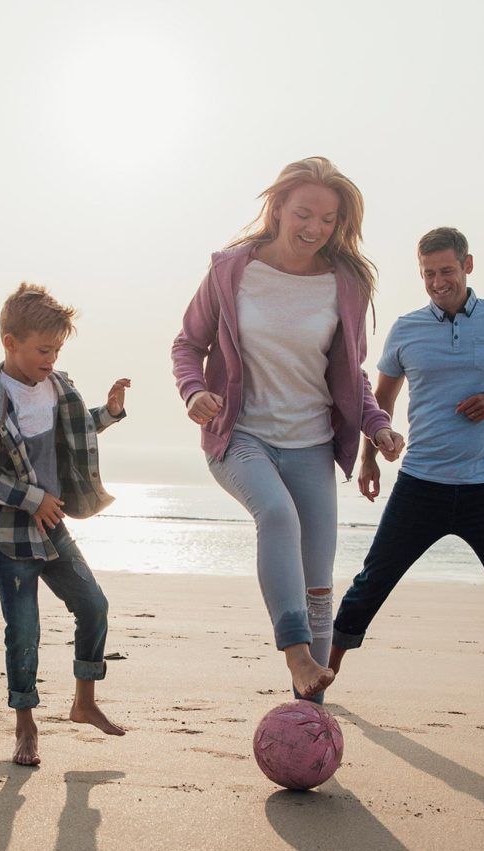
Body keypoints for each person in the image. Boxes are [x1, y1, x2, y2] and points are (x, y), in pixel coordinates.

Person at [171, 156, 403, 702]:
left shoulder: (345, 284)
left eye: (329, 220)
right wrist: (194, 391)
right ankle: (297, 655)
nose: (315, 228)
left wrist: (378, 426)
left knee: (319, 587)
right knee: (275, 514)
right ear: (276, 209)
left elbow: (352, 375)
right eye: (304, 213)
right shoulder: (231, 271)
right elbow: (187, 344)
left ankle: (311, 710)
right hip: (239, 435)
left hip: (312, 445)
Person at [329, 226, 484, 722]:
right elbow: (380, 402)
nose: (437, 282)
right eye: (427, 274)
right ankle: (323, 676)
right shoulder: (406, 329)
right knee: (373, 581)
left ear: (467, 265)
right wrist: (370, 456)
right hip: (422, 483)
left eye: (445, 270)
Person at [0, 282, 132, 765]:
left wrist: (110, 413)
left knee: (94, 605)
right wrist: (32, 498)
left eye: (56, 349)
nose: (51, 358)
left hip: (53, 528)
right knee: (24, 630)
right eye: (42, 349)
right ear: (10, 343)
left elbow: (72, 433)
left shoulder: (56, 386)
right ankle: (25, 726)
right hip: (8, 537)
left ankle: (84, 702)